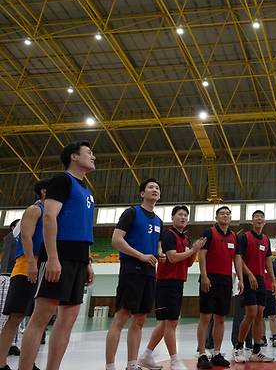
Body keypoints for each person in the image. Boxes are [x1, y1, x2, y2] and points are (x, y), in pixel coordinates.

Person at [18, 141, 96, 370]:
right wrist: (52, 257)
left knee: (68, 320)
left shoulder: (86, 190)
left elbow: (84, 226)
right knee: (41, 318)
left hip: (80, 257)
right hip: (60, 254)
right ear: (74, 156)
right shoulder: (62, 181)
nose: (93, 157)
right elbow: (50, 218)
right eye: (89, 153)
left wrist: (88, 261)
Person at [105, 178, 164, 370]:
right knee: (122, 316)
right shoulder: (131, 213)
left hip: (149, 272)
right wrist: (140, 256)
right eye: (150, 187)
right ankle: (110, 366)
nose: (154, 190)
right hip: (132, 269)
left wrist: (159, 254)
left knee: (140, 319)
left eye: (157, 188)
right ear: (142, 193)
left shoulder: (158, 221)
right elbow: (116, 240)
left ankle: (132, 365)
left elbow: (157, 245)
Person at [138, 205, 206, 370]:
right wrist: (193, 250)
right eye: (180, 214)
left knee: (164, 323)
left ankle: (146, 356)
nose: (183, 217)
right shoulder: (169, 234)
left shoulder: (185, 238)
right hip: (166, 282)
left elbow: (188, 263)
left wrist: (194, 250)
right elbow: (173, 258)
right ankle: (175, 360)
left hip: (178, 282)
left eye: (185, 215)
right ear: (173, 217)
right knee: (171, 323)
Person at [0, 180, 48, 370]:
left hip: (42, 269)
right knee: (15, 318)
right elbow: (26, 237)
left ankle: (29, 363)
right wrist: (30, 264)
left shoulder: (53, 213)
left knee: (36, 321)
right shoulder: (34, 210)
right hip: (26, 269)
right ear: (44, 191)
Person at [196, 206, 239, 369]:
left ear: (231, 217)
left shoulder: (234, 236)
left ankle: (217, 353)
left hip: (226, 281)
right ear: (216, 217)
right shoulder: (209, 232)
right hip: (210, 279)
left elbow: (237, 259)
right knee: (205, 318)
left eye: (228, 214)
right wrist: (204, 276)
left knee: (220, 318)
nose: (225, 216)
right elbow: (202, 255)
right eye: (222, 213)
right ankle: (201, 354)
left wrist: (239, 279)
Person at [233, 210, 275, 363]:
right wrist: (248, 275)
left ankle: (256, 352)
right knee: (251, 313)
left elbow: (268, 260)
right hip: (248, 277)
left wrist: (273, 280)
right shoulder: (244, 237)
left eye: (261, 217)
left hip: (261, 279)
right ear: (252, 221)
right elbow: (238, 259)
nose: (259, 219)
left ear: (264, 222)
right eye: (256, 217)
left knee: (260, 315)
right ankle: (238, 347)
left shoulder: (266, 239)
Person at [262, 267, 276, 347]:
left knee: (272, 316)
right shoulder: (259, 264)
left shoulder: (272, 266)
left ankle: (274, 337)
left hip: (270, 293)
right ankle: (262, 338)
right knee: (260, 317)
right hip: (261, 291)